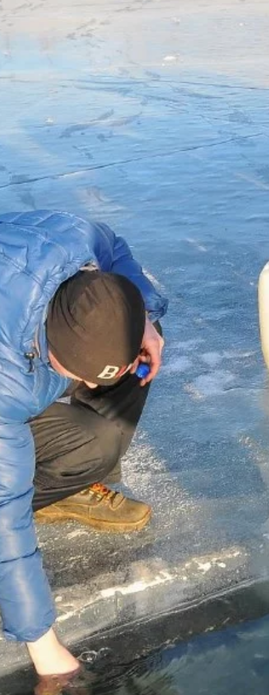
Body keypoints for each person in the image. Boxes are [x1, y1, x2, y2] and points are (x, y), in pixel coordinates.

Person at [0, 210, 167, 679]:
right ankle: (52, 478)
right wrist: (45, 649)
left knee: (137, 357)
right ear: (54, 356)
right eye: (81, 377)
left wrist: (145, 321)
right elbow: (4, 516)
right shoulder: (6, 381)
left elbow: (113, 245)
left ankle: (72, 481)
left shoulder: (75, 240)